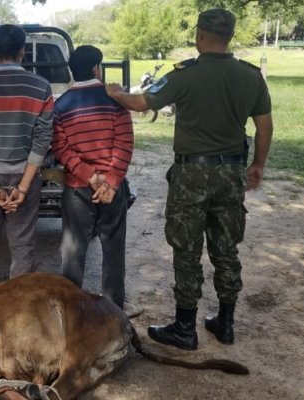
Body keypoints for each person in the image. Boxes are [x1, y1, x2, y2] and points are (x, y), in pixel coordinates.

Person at [106, 8, 273, 350]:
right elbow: (264, 126)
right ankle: (225, 322)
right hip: (231, 172)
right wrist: (257, 165)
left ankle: (185, 327)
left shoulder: (184, 74)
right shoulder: (251, 75)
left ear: (199, 34)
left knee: (186, 248)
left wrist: (116, 94)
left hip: (191, 174)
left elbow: (141, 103)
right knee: (226, 248)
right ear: (230, 35)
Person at [0, 24, 54, 297]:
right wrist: (24, 187)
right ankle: (19, 305)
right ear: (22, 52)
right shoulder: (42, 88)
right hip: (26, 178)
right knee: (23, 244)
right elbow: (43, 140)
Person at [52, 45, 134, 310]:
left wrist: (89, 177)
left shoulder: (61, 105)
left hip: (77, 188)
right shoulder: (116, 100)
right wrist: (109, 181)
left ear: (71, 71)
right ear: (96, 68)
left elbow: (60, 148)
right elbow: (124, 141)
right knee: (113, 252)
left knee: (73, 253)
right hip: (112, 189)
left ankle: (71, 315)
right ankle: (114, 316)